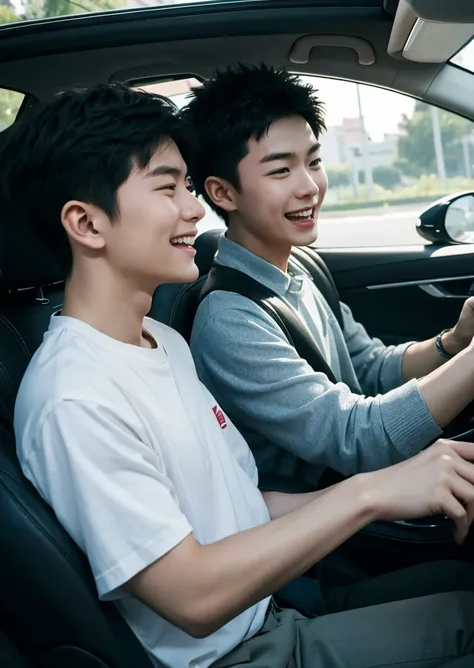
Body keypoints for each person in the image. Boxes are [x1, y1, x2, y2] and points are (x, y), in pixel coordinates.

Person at [5, 83, 474, 668]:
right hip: (235, 653)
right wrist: (370, 492)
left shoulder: (163, 342)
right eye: (167, 187)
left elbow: (242, 505)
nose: (195, 208)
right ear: (87, 224)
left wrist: (408, 487)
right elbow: (193, 597)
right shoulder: (75, 397)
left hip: (272, 609)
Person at [184, 64, 474, 491]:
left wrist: (453, 343)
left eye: (314, 161)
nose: (310, 186)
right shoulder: (229, 321)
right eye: (280, 171)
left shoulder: (301, 264)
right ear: (223, 192)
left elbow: (369, 369)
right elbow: (356, 438)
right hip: (326, 526)